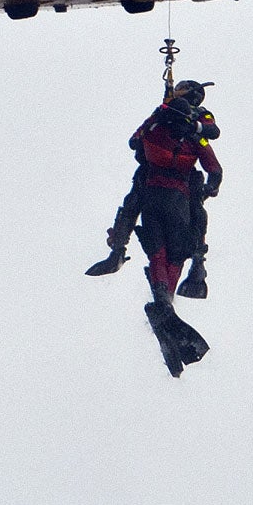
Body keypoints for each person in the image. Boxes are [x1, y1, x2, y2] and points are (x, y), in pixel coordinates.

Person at [85, 80, 223, 376]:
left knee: (159, 244)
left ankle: (162, 291)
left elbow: (137, 140)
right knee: (176, 247)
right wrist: (210, 184)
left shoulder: (168, 125)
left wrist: (168, 118)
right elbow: (213, 165)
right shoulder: (183, 133)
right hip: (177, 196)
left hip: (156, 193)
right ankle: (169, 293)